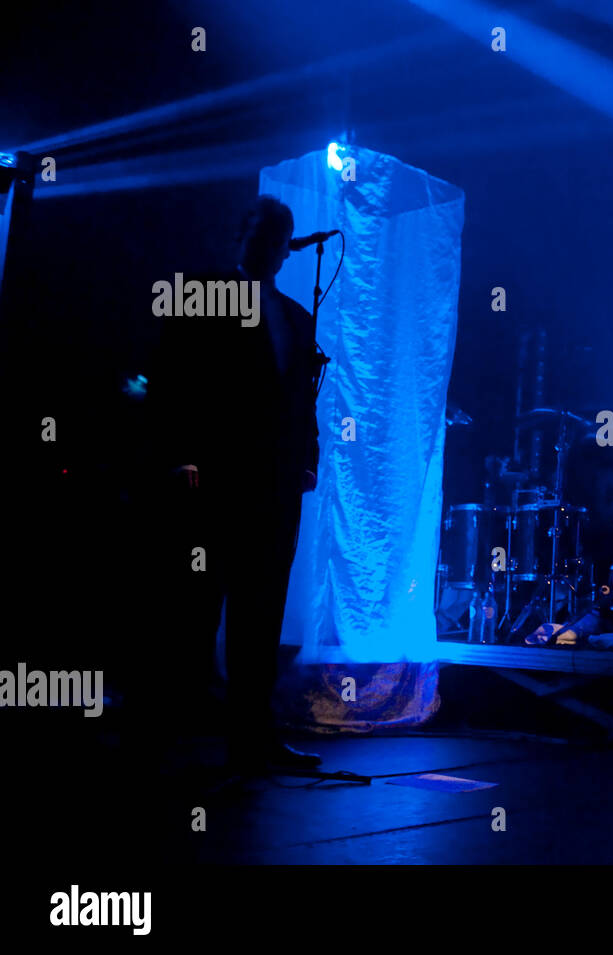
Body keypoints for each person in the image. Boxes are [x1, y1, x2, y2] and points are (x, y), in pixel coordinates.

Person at [151, 195, 323, 774]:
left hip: (272, 490)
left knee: (261, 612)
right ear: (241, 236)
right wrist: (179, 455)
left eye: (278, 235)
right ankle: (174, 734)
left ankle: (251, 738)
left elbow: (304, 399)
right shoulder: (201, 295)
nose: (270, 244)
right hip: (215, 482)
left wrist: (309, 458)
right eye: (261, 232)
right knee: (195, 608)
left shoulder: (297, 317)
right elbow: (171, 380)